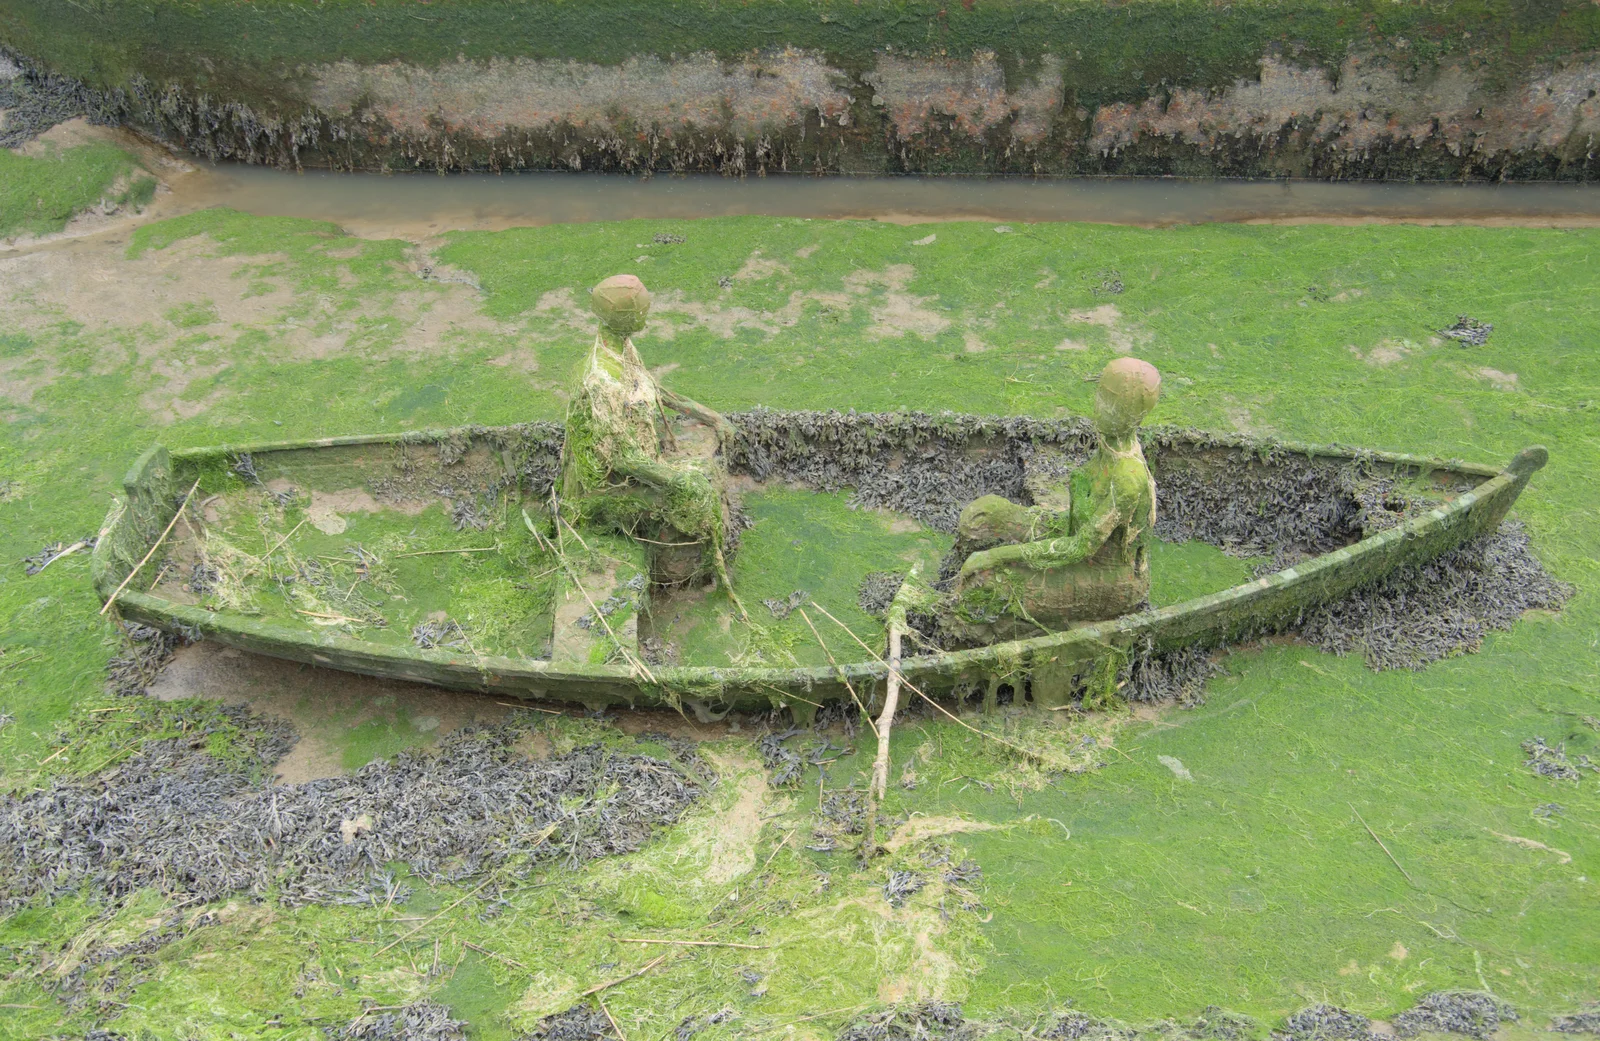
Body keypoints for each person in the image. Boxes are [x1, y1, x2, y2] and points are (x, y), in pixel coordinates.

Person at [946, 357, 1161, 637]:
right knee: (982, 515)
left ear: (1135, 414)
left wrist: (994, 556)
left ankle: (1009, 630)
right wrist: (1016, 525)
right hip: (1074, 532)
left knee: (990, 585)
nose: (1100, 408)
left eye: (1112, 402)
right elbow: (1076, 525)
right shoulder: (1110, 448)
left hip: (1109, 577)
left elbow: (1078, 548)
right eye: (1101, 395)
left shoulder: (1127, 480)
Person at [559, 274, 740, 594]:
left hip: (640, 457)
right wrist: (674, 478)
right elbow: (619, 458)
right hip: (611, 488)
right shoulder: (601, 380)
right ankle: (683, 578)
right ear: (624, 316)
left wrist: (709, 416)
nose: (647, 313)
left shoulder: (623, 347)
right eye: (641, 308)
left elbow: (656, 390)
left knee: (701, 476)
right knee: (695, 495)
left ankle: (701, 564)